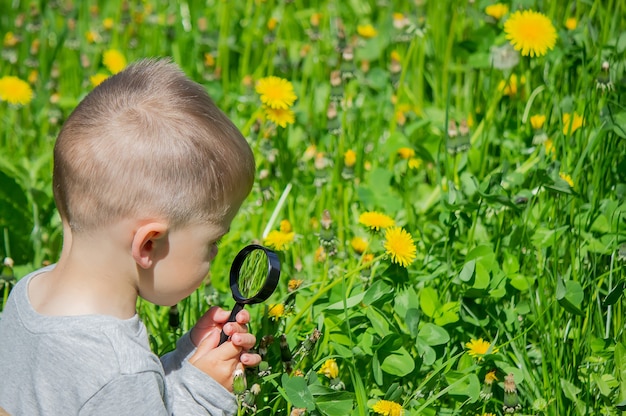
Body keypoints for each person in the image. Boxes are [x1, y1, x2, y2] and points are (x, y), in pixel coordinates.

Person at [0, 58, 261, 415]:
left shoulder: (25, 295)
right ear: (149, 244)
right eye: (212, 242)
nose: (215, 255)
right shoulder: (119, 372)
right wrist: (204, 394)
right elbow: (122, 393)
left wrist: (187, 361)